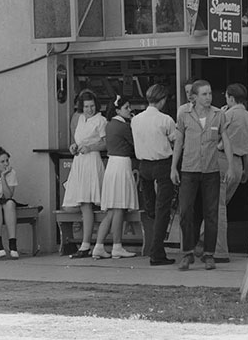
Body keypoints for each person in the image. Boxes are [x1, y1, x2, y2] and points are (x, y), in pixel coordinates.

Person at [171, 80, 234, 271]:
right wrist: (173, 167)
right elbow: (179, 142)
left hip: (211, 170)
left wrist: (231, 166)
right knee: (186, 212)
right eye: (204, 94)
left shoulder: (218, 115)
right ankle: (188, 252)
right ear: (195, 97)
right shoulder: (184, 115)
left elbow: (226, 140)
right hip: (189, 169)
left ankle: (209, 254)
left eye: (209, 94)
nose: (208, 97)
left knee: (211, 213)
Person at [131, 84, 177, 266]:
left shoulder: (136, 120)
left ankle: (153, 245)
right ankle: (157, 251)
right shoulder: (166, 120)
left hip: (144, 166)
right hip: (162, 164)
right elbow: (176, 142)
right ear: (163, 99)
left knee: (151, 209)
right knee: (163, 209)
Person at [214, 84, 248, 262]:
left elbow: (215, 136)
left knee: (217, 208)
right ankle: (202, 242)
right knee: (222, 205)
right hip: (239, 164)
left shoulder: (229, 114)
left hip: (223, 160)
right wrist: (246, 170)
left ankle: (219, 251)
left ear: (231, 98)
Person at [91, 96, 137, 260]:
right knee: (118, 208)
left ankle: (98, 245)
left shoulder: (110, 125)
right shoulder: (123, 126)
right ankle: (117, 246)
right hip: (121, 165)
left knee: (111, 210)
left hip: (112, 165)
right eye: (126, 107)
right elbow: (135, 143)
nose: (129, 109)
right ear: (117, 110)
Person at [63, 90, 106, 258]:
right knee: (75, 204)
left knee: (86, 203)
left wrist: (91, 147)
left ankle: (86, 244)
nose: (89, 109)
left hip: (91, 161)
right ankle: (84, 241)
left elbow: (105, 143)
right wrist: (73, 147)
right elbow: (76, 140)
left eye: (92, 106)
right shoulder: (79, 119)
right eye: (86, 106)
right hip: (79, 162)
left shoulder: (101, 120)